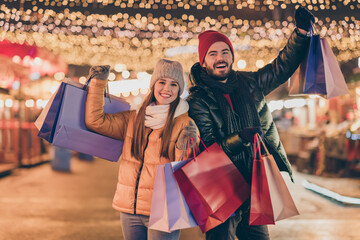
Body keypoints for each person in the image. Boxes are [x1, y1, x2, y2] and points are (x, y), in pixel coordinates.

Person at [186, 6, 315, 240]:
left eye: (225, 52)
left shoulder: (250, 83)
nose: (220, 58)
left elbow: (281, 68)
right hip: (221, 188)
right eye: (213, 54)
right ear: (203, 61)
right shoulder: (199, 99)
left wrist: (301, 33)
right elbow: (208, 148)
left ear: (232, 56)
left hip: (254, 185)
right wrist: (240, 138)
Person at [85, 59, 198, 240]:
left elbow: (184, 169)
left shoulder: (185, 123)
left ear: (179, 89)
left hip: (164, 210)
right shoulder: (134, 118)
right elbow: (96, 121)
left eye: (174, 84)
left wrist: (185, 146)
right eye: (162, 82)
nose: (167, 89)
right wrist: (98, 83)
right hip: (130, 208)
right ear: (153, 85)